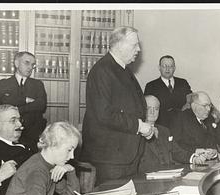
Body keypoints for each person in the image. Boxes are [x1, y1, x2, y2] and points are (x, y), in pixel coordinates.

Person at [81, 26, 156, 185]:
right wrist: (139, 126)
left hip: (125, 156)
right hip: (111, 159)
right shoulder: (102, 70)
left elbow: (131, 108)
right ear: (118, 45)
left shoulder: (123, 69)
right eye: (134, 45)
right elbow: (104, 114)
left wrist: (145, 128)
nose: (139, 49)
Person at [0, 122, 96, 195]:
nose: (72, 156)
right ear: (53, 144)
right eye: (69, 150)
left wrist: (70, 170)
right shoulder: (37, 170)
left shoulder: (51, 166)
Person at [0, 51, 47, 153]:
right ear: (16, 63)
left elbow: (41, 105)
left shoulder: (38, 84)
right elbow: (4, 100)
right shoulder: (4, 83)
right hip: (9, 132)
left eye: (32, 65)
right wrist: (26, 100)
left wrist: (17, 108)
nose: (30, 67)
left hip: (33, 133)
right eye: (26, 63)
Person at [138, 95, 189, 173]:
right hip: (147, 178)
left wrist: (194, 158)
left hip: (169, 175)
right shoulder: (135, 132)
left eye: (156, 109)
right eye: (148, 108)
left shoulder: (165, 131)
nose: (152, 112)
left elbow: (178, 152)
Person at [169, 91, 219, 164]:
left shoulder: (210, 119)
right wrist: (195, 151)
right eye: (205, 105)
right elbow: (176, 145)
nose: (208, 109)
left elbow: (213, 143)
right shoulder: (180, 118)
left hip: (207, 163)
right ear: (194, 106)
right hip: (186, 162)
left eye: (210, 105)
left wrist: (214, 153)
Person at [144, 55, 192, 128]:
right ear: (159, 68)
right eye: (164, 66)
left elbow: (192, 99)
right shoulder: (151, 86)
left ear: (174, 68)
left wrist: (188, 104)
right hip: (161, 126)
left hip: (182, 125)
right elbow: (147, 108)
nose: (167, 69)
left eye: (170, 66)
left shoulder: (183, 83)